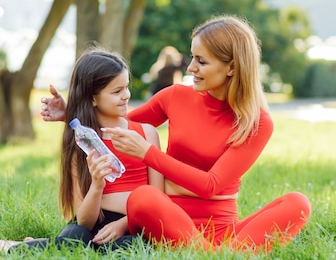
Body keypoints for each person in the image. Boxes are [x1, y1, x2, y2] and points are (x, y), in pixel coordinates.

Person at [40, 15, 311, 253]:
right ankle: (224, 255)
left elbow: (211, 185)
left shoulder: (257, 122)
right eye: (192, 57)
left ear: (231, 67)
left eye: (201, 61)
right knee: (143, 197)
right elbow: (115, 129)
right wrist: (72, 114)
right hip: (167, 218)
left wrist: (148, 153)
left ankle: (214, 254)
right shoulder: (175, 96)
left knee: (298, 203)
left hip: (222, 228)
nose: (190, 67)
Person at [9, 47, 163, 254]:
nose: (126, 96)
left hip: (134, 224)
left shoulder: (147, 134)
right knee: (76, 234)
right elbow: (84, 220)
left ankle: (52, 247)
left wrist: (123, 224)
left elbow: (158, 199)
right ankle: (66, 246)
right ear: (92, 98)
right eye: (117, 91)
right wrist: (97, 185)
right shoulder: (82, 143)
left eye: (126, 87)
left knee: (134, 245)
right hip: (95, 225)